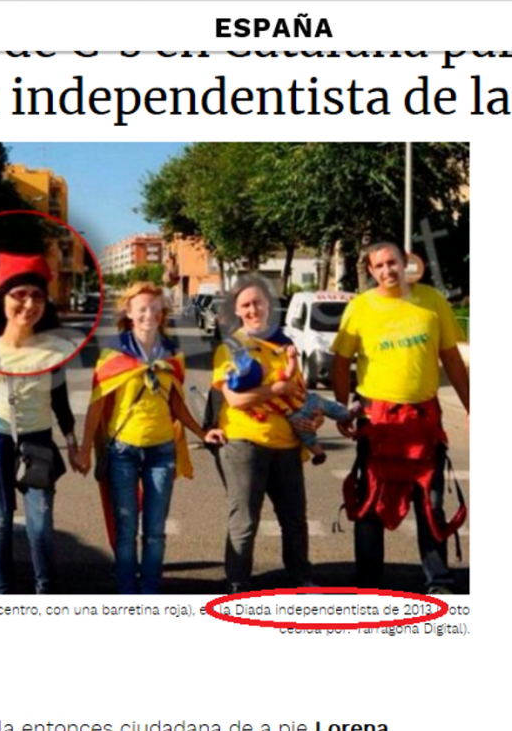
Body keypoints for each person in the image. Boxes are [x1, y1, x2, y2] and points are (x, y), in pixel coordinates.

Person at [331, 242, 469, 593]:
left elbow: (452, 359)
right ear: (372, 270)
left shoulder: (433, 302)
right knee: (370, 503)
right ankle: (368, 582)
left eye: (392, 262)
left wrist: (474, 407)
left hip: (423, 420)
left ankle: (438, 581)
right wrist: (341, 407)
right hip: (377, 422)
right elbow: (341, 362)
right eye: (379, 266)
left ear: (405, 263)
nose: (387, 271)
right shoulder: (360, 308)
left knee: (430, 503)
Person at [75, 282, 225, 594]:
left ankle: (150, 593)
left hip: (162, 452)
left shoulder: (173, 356)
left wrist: (201, 431)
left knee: (155, 532)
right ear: (129, 313)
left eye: (155, 309)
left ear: (163, 315)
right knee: (127, 529)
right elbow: (96, 407)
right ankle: (128, 591)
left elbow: (176, 404)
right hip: (122, 451)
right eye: (142, 309)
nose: (149, 315)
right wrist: (85, 449)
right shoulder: (112, 355)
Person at [0, 253, 79, 594]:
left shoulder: (55, 349)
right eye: (19, 295)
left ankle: (45, 594)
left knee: (40, 526)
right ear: (3, 299)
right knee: (0, 522)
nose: (28, 304)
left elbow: (60, 400)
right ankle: (3, 596)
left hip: (37, 439)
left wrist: (73, 444)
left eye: (37, 295)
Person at [211, 274, 318, 592]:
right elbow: (235, 399)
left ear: (269, 305)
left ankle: (301, 577)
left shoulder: (286, 345)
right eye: (245, 304)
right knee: (244, 520)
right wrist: (275, 389)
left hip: (287, 443)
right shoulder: (231, 347)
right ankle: (238, 582)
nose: (253, 308)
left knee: (295, 519)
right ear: (238, 310)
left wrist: (311, 416)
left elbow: (300, 392)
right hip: (245, 442)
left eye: (258, 302)